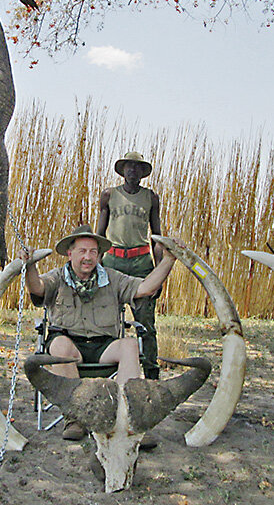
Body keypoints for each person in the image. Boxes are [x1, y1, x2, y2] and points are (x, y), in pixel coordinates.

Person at [22, 224, 181, 443]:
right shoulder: (57, 278)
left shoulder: (113, 278)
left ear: (99, 254)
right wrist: (30, 266)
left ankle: (128, 419)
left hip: (104, 346)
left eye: (93, 252)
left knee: (130, 345)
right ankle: (74, 417)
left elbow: (145, 288)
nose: (88, 257)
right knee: (59, 346)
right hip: (70, 346)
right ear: (70, 253)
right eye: (82, 251)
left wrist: (169, 260)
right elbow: (37, 288)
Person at [96, 151, 164, 380]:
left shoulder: (150, 198)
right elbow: (100, 234)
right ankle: (107, 370)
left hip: (140, 262)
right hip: (113, 260)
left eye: (137, 167)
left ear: (143, 173)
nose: (132, 171)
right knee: (106, 318)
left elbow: (157, 237)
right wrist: (97, 266)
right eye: (129, 166)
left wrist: (159, 272)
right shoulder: (109, 195)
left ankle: (151, 374)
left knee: (145, 320)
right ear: (122, 170)